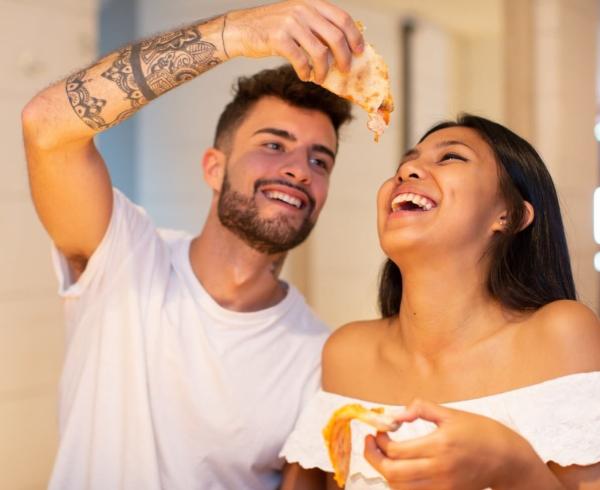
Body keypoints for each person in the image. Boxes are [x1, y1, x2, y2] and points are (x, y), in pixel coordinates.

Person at [21, 1, 365, 489]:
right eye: (273, 144)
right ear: (214, 168)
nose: (298, 169)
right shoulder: (125, 257)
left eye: (320, 160)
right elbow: (46, 125)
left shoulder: (318, 357)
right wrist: (232, 35)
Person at [281, 114, 600, 489]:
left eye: (451, 157)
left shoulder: (562, 333)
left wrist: (509, 461)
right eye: (405, 163)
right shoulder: (347, 353)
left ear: (509, 215)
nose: (409, 170)